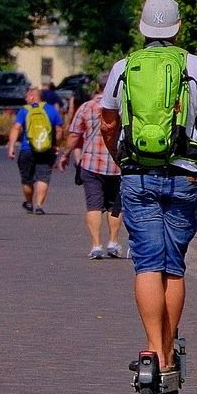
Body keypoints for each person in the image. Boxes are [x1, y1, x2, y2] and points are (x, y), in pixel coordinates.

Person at [100, 0, 197, 390]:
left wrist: (122, 160)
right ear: (178, 27)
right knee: (173, 265)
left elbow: (107, 124)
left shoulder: (124, 68)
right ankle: (169, 354)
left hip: (137, 175)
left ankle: (153, 349)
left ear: (142, 27)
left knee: (146, 263)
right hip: (182, 174)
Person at [62, 72, 124, 258]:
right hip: (117, 164)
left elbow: (74, 135)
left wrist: (64, 155)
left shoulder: (87, 107)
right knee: (115, 206)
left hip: (90, 163)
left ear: (97, 86)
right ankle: (113, 242)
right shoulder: (123, 107)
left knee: (93, 205)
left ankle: (96, 245)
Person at [7, 85, 64, 215]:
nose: (26, 99)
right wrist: (55, 144)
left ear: (33, 97)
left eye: (27, 96)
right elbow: (60, 129)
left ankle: (29, 202)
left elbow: (16, 128)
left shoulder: (24, 111)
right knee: (43, 177)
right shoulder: (51, 110)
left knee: (27, 179)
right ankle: (38, 205)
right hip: (46, 148)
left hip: (27, 148)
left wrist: (11, 147)